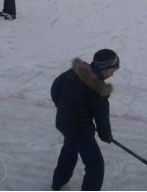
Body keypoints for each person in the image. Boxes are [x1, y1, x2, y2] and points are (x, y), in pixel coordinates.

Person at [51, 49, 120, 191]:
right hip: (80, 131)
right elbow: (101, 119)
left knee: (69, 152)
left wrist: (63, 107)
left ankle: (57, 183)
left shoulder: (75, 71)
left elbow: (55, 87)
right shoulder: (98, 90)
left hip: (63, 123)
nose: (112, 74)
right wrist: (105, 135)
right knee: (95, 166)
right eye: (111, 70)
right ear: (103, 68)